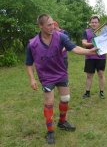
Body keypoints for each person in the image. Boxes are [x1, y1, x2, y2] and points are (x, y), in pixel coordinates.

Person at [25, 14, 97, 144]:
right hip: (46, 76)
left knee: (65, 98)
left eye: (53, 23)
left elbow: (75, 48)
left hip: (61, 73)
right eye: (49, 25)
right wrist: (32, 79)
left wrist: (91, 51)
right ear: (40, 26)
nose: (52, 26)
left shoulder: (61, 37)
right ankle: (50, 131)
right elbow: (29, 64)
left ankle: (62, 122)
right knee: (49, 102)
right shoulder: (32, 44)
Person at [81, 15, 106, 99]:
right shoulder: (86, 32)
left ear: (99, 23)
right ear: (90, 23)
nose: (94, 24)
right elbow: (84, 43)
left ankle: (102, 92)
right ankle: (87, 92)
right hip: (90, 56)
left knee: (101, 74)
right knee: (89, 76)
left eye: (96, 22)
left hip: (101, 56)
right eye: (92, 22)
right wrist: (94, 43)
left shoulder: (102, 31)